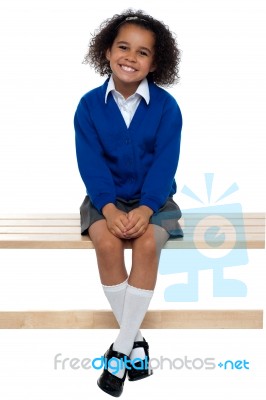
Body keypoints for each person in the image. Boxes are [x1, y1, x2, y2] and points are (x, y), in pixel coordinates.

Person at [74, 8, 183, 397]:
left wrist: (145, 207)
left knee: (148, 244)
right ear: (106, 51)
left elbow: (165, 163)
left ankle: (120, 350)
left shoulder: (167, 108)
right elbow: (91, 164)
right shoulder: (88, 106)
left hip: (155, 200)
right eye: (123, 47)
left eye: (142, 52)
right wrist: (108, 208)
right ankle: (135, 342)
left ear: (156, 62)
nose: (130, 58)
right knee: (106, 243)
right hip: (105, 199)